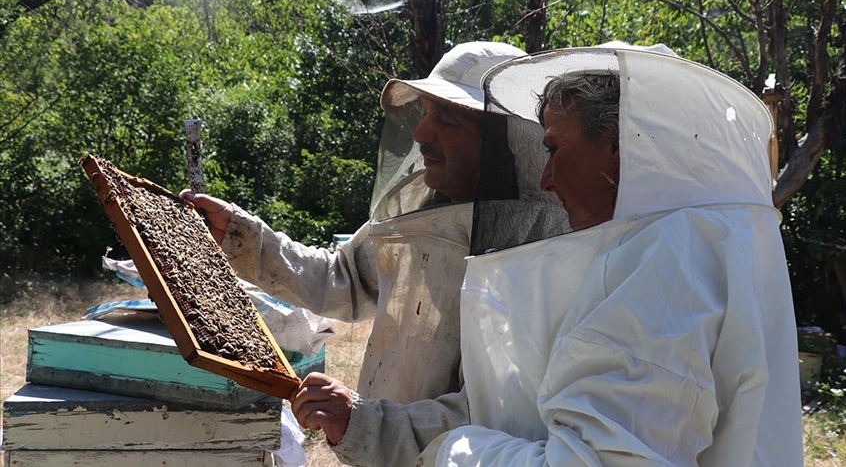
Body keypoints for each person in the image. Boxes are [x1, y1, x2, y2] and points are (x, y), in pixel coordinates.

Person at [412, 45, 804, 465]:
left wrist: (455, 449)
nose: (545, 180)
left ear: (619, 146)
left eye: (553, 150)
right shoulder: (707, 247)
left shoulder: (660, 272)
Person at [181, 41, 532, 457]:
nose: (422, 132)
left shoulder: (535, 250)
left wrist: (364, 422)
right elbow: (341, 278)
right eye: (425, 113)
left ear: (503, 141)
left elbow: (493, 417)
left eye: (449, 119)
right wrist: (243, 237)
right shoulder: (416, 208)